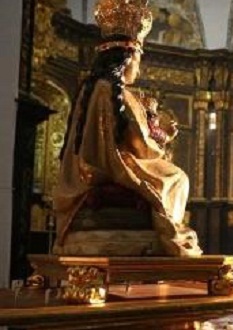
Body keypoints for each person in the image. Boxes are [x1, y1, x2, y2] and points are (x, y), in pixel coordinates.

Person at [52, 0, 201, 257]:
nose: (139, 68)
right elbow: (139, 143)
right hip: (115, 164)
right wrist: (163, 136)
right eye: (139, 59)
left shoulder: (92, 87)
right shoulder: (112, 89)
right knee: (177, 178)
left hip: (95, 165)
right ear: (128, 56)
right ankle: (171, 234)